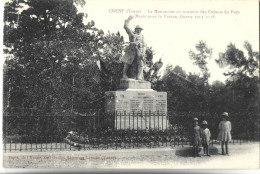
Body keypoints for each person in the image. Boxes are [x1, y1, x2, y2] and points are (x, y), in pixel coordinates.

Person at [121, 15, 146, 80]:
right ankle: (124, 74)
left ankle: (139, 76)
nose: (139, 30)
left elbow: (144, 45)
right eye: (138, 29)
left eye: (140, 29)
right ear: (135, 29)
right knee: (128, 62)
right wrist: (128, 20)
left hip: (139, 51)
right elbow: (126, 27)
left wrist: (143, 52)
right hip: (131, 50)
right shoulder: (132, 33)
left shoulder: (142, 36)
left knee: (140, 63)